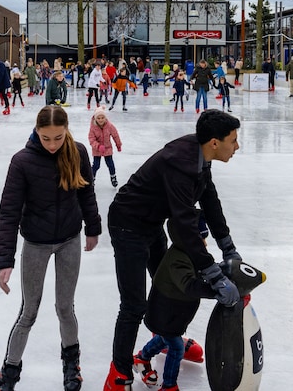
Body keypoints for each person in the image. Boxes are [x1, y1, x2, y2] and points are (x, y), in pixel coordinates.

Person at [103, 110, 244, 391]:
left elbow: (210, 200)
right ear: (215, 142)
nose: (237, 147)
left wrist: (228, 246)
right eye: (233, 140)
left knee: (169, 286)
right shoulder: (180, 164)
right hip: (128, 226)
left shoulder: (200, 157)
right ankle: (118, 371)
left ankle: (167, 338)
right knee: (133, 305)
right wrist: (214, 275)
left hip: (152, 223)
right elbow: (184, 224)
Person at [0, 105, 101, 391]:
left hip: (69, 240)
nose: (52, 145)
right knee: (29, 310)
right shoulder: (22, 161)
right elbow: (9, 211)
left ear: (66, 131)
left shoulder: (77, 152)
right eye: (46, 138)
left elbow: (87, 192)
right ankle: (10, 370)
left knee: (65, 307)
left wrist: (93, 227)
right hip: (36, 243)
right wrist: (5, 259)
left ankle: (71, 364)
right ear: (36, 132)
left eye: (58, 137)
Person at [132, 218, 218, 391]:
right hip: (165, 310)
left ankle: (142, 358)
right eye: (201, 240)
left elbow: (204, 269)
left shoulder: (190, 252)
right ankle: (169, 385)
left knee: (165, 338)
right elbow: (190, 286)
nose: (205, 244)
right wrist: (215, 291)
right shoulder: (179, 258)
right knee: (176, 348)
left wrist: (220, 277)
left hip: (171, 313)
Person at [89, 109, 123, 187]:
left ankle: (113, 177)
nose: (101, 120)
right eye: (98, 118)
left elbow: (115, 135)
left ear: (105, 118)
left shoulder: (110, 126)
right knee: (96, 165)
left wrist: (118, 145)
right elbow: (91, 139)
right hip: (97, 150)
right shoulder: (93, 128)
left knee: (110, 164)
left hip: (107, 148)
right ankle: (91, 178)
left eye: (102, 118)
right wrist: (98, 146)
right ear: (95, 119)